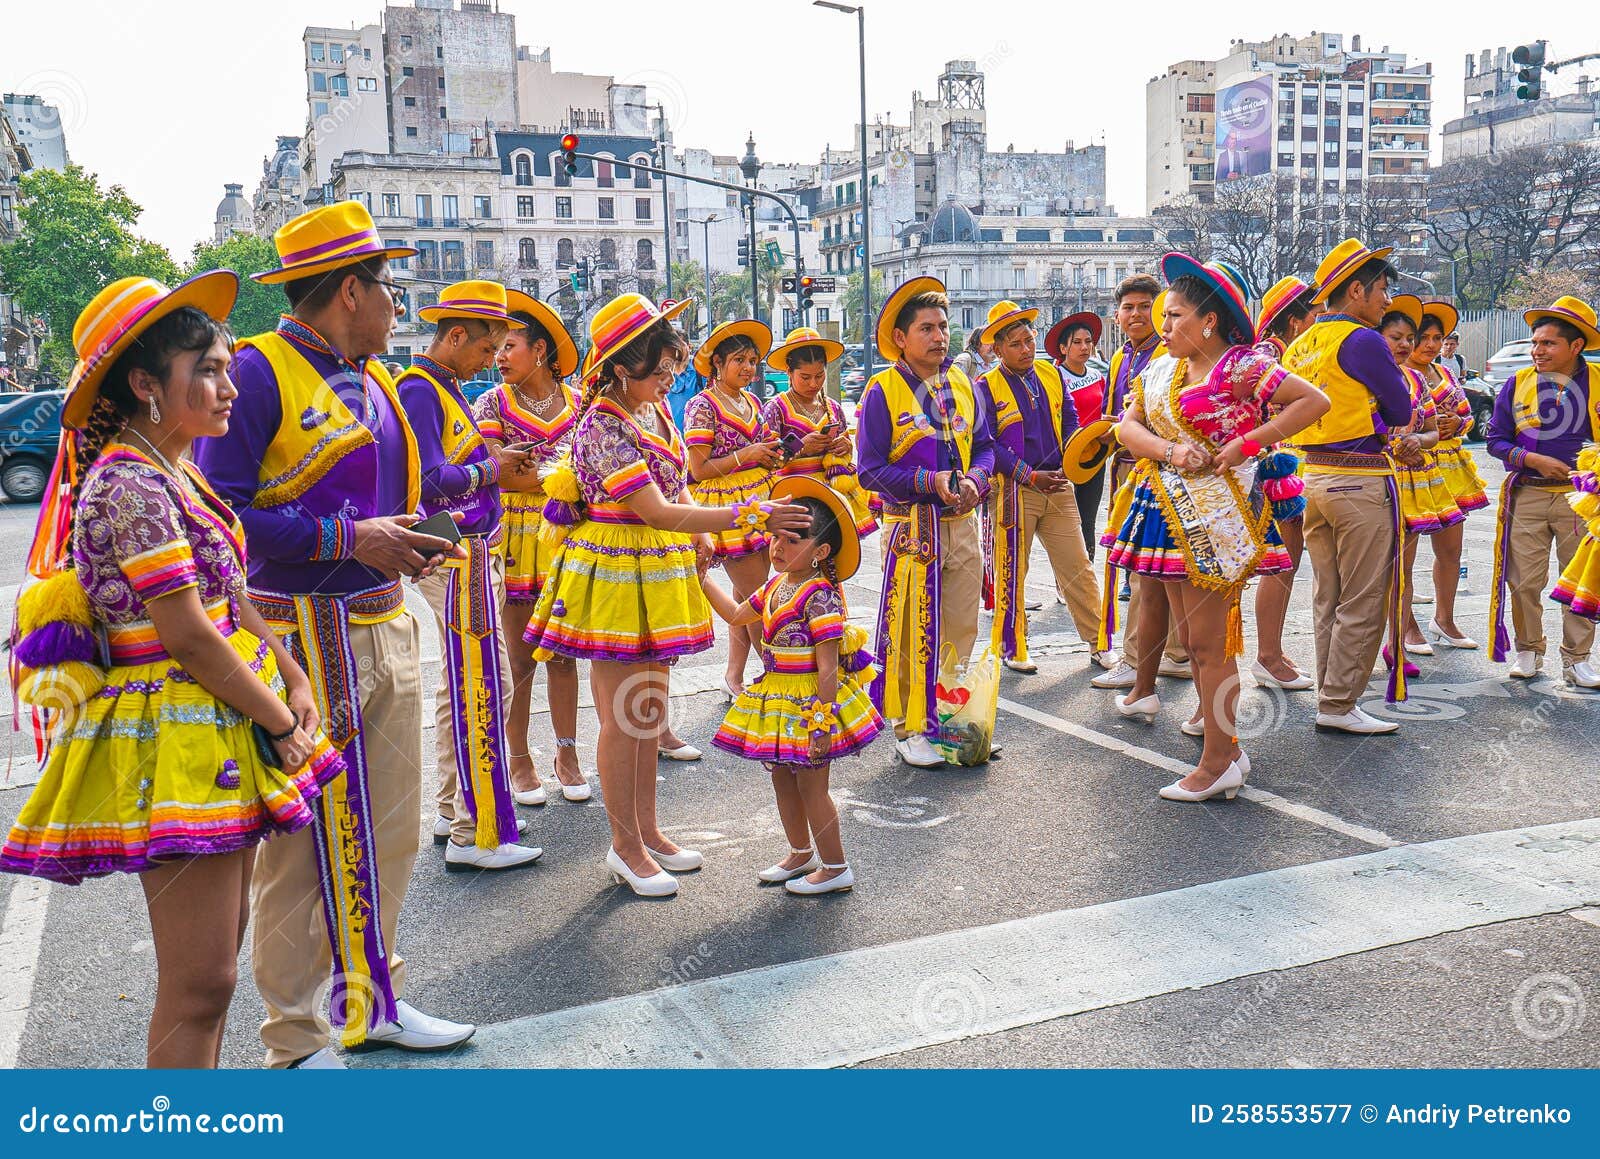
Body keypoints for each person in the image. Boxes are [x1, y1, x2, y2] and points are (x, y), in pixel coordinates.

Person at [2, 271, 346, 1068]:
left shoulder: (173, 473)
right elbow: (189, 633)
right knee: (200, 984)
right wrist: (285, 718)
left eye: (226, 366)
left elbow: (230, 597)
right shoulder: (129, 483)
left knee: (215, 977)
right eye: (210, 370)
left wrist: (290, 670)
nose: (229, 385)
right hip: (175, 735)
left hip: (219, 721)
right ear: (146, 385)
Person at [193, 202, 471, 1067]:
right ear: (351, 290)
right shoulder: (260, 374)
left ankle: (371, 997)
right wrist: (351, 540)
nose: (400, 304)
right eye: (390, 286)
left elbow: (390, 506)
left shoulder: (380, 381)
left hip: (383, 621)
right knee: (300, 847)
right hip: (298, 639)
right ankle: (295, 1036)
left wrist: (413, 541)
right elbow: (222, 517)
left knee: (389, 828)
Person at [522, 294, 809, 896]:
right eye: (659, 368)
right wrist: (749, 512)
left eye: (672, 365)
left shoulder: (654, 413)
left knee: (648, 714)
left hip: (653, 568)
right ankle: (623, 845)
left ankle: (648, 831)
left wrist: (702, 540)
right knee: (621, 717)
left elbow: (677, 489)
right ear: (623, 367)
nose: (670, 376)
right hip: (614, 576)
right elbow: (654, 508)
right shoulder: (602, 421)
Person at [1105, 255, 1328, 800]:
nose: (1164, 326)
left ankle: (1218, 761)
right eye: (1163, 316)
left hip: (1218, 515)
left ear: (1209, 320)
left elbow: (1311, 401)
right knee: (1198, 642)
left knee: (1209, 646)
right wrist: (1170, 450)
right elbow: (1127, 427)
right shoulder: (1160, 370)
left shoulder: (1241, 366)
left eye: (1175, 315)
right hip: (1165, 511)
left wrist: (1247, 443)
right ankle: (1224, 750)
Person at [395, 281, 540, 871]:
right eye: (487, 348)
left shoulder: (442, 389)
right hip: (460, 554)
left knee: (463, 680)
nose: (493, 361)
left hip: (469, 553)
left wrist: (486, 466)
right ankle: (474, 830)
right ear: (456, 336)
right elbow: (427, 478)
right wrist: (491, 468)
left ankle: (457, 804)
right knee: (485, 683)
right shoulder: (421, 390)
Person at [704, 477, 883, 894]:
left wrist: (821, 721)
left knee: (812, 784)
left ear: (821, 552)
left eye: (791, 541)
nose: (778, 549)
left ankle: (837, 867)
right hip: (776, 697)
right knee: (782, 777)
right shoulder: (774, 586)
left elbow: (827, 670)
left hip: (809, 703)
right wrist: (702, 578)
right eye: (775, 539)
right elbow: (734, 616)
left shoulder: (819, 596)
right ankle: (801, 852)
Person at [856, 277, 994, 768]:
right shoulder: (882, 390)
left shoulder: (963, 382)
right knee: (912, 628)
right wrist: (927, 479)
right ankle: (910, 725)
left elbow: (987, 446)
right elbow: (869, 468)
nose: (940, 337)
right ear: (901, 337)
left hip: (961, 523)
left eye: (943, 327)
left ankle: (948, 721)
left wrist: (978, 477)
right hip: (911, 530)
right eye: (927, 328)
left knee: (960, 625)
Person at [1281, 238, 1414, 734]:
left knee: (1327, 597)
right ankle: (1339, 704)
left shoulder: (1301, 343)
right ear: (1355, 291)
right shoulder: (1361, 340)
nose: (1385, 300)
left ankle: (1329, 694)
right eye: (1381, 289)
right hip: (1358, 480)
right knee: (1361, 598)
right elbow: (1401, 409)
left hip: (1310, 475)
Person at [477, 290, 602, 797]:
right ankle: (519, 757)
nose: (500, 356)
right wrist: (554, 477)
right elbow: (496, 476)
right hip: (516, 537)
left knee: (566, 652)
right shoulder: (490, 402)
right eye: (498, 347)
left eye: (510, 346)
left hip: (566, 535)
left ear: (541, 351)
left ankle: (568, 752)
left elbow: (590, 472)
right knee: (521, 655)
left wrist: (537, 473)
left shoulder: (579, 403)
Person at [975, 300, 1110, 674]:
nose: (1026, 349)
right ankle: (1013, 644)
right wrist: (1028, 475)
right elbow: (986, 445)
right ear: (997, 348)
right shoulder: (984, 386)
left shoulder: (1052, 375)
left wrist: (1077, 450)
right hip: (1013, 489)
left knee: (1078, 565)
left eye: (1029, 340)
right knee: (1011, 569)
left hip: (1057, 483)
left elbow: (1069, 419)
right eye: (1016, 343)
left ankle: (1099, 642)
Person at [1485, 296, 1600, 687]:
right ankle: (1528, 649)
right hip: (1528, 494)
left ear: (1576, 346)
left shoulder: (1599, 384)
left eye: (1548, 343)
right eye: (1535, 343)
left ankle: (1578, 659)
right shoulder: (1517, 383)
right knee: (1524, 581)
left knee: (1581, 582)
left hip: (1583, 501)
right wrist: (1532, 460)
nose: (1537, 351)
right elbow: (1496, 440)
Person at [1093, 275, 1190, 690]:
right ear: (1117, 313)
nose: (1135, 314)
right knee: (1150, 569)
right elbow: (1114, 412)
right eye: (1127, 307)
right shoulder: (1120, 358)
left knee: (1144, 571)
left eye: (1144, 306)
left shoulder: (1171, 358)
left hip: (1161, 474)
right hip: (1126, 472)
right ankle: (1170, 653)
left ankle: (1136, 661)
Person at [685, 319, 781, 699]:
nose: (748, 368)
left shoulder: (752, 402)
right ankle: (776, 673)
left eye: (753, 360)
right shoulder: (701, 406)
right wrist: (748, 454)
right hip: (727, 508)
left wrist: (771, 454)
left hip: (758, 498)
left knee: (747, 596)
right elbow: (698, 468)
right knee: (758, 595)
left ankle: (733, 675)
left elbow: (762, 448)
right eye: (739, 359)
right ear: (717, 364)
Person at [1377, 296, 1462, 677]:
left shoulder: (1418, 379)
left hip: (1421, 477)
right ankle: (1386, 638)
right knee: (1388, 568)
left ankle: (1398, 642)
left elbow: (1432, 428)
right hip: (1378, 476)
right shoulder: (1367, 375)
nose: (1411, 345)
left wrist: (1423, 440)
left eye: (1413, 337)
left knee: (1407, 563)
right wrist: (1396, 445)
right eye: (1400, 336)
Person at [1250, 275, 1320, 691]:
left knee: (1286, 565)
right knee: (1280, 565)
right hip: (1266, 476)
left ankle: (1271, 650)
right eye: (1315, 316)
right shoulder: (1267, 358)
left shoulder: (1284, 356)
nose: (1320, 324)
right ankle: (1267, 657)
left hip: (1279, 472)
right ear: (1294, 323)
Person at [1410, 301, 1489, 651]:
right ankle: (1405, 625)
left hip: (1449, 470)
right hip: (1410, 470)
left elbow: (1467, 416)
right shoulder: (1396, 373)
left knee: (1451, 551)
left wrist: (1458, 423)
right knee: (1403, 555)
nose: (1430, 345)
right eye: (1422, 337)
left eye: (1436, 338)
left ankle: (1444, 619)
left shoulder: (1445, 374)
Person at [762, 326, 876, 537]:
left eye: (819, 375)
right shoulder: (775, 408)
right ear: (789, 372)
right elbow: (768, 462)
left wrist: (845, 446)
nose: (814, 383)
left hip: (833, 497)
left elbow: (846, 448)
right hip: (794, 499)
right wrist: (801, 446)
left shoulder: (833, 408)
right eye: (805, 377)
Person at [1045, 311, 1108, 557]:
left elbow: (1104, 412)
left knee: (1088, 518)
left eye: (1088, 342)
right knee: (1066, 524)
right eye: (1077, 342)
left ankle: (1087, 570)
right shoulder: (1055, 378)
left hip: (1094, 459)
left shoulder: (1097, 376)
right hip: (1064, 460)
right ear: (1063, 348)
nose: (1084, 347)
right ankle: (1065, 580)